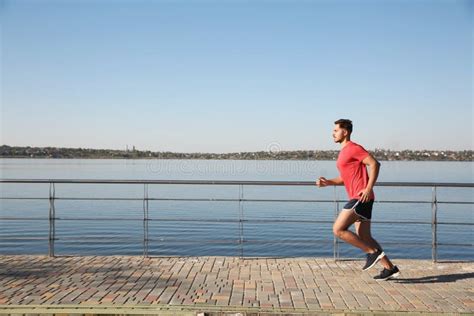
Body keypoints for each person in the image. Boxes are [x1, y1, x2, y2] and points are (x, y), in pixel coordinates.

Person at [316, 119, 400, 280]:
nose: (332, 133)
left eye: (336, 130)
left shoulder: (354, 148)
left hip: (360, 198)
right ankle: (389, 268)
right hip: (362, 199)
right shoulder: (344, 152)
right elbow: (345, 178)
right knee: (365, 237)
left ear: (345, 132)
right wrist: (328, 182)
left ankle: (371, 253)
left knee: (338, 229)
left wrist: (368, 188)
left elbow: (375, 164)